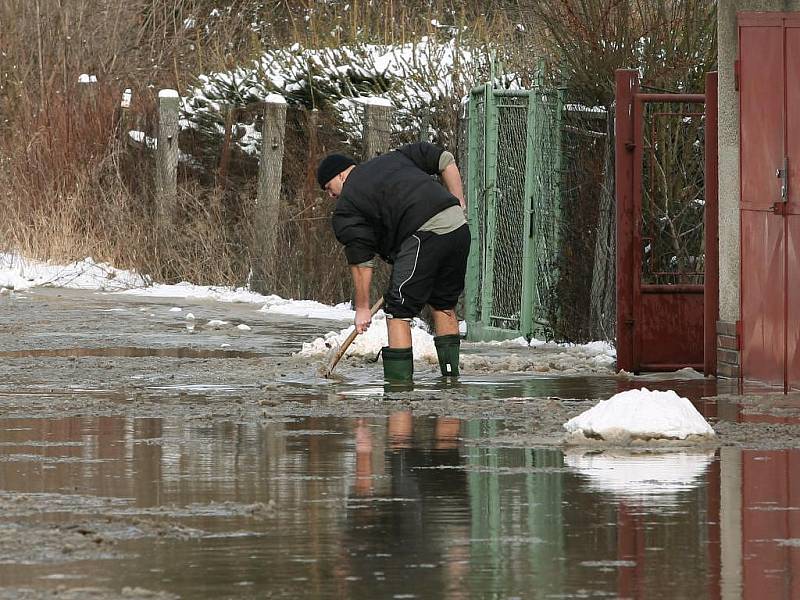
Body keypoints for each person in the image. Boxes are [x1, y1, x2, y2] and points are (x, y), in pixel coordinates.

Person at [317, 142, 470, 382]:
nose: (331, 195)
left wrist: (362, 308)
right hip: (458, 228)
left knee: (398, 309)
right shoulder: (397, 157)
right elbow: (445, 159)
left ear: (342, 174)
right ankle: (450, 378)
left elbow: (361, 260)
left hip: (424, 235)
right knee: (443, 303)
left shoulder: (347, 205)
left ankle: (399, 389)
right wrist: (458, 201)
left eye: (329, 187)